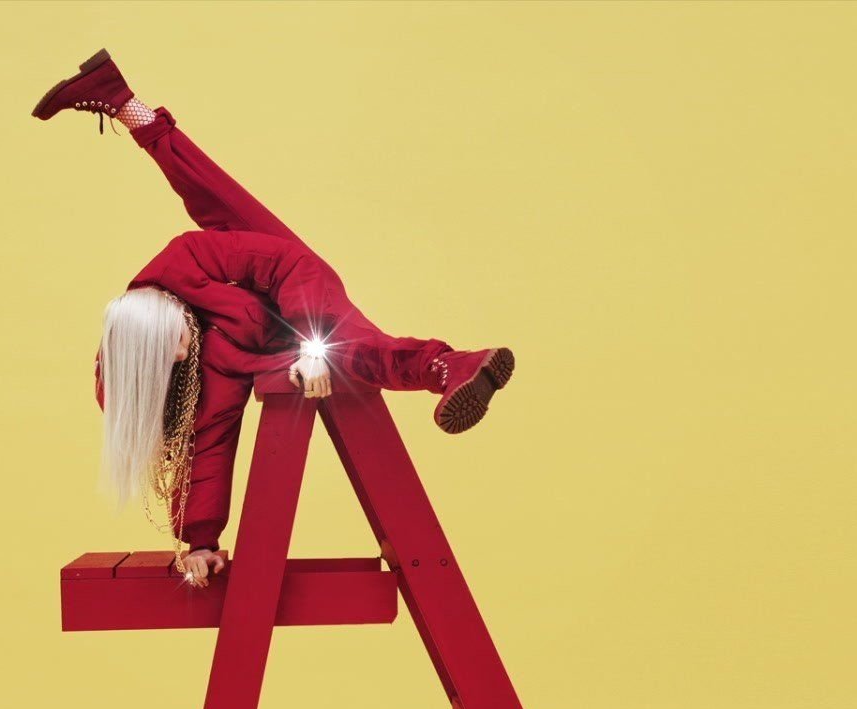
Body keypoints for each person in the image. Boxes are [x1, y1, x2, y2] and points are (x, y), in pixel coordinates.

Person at [34, 49, 517, 588]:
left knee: (344, 343)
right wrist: (199, 543)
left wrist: (312, 344)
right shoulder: (171, 382)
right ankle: (118, 94)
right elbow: (208, 450)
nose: (177, 349)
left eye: (172, 334)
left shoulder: (182, 263)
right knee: (337, 345)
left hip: (281, 279)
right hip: (265, 335)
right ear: (150, 368)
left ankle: (445, 368)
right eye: (168, 353)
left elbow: (287, 265)